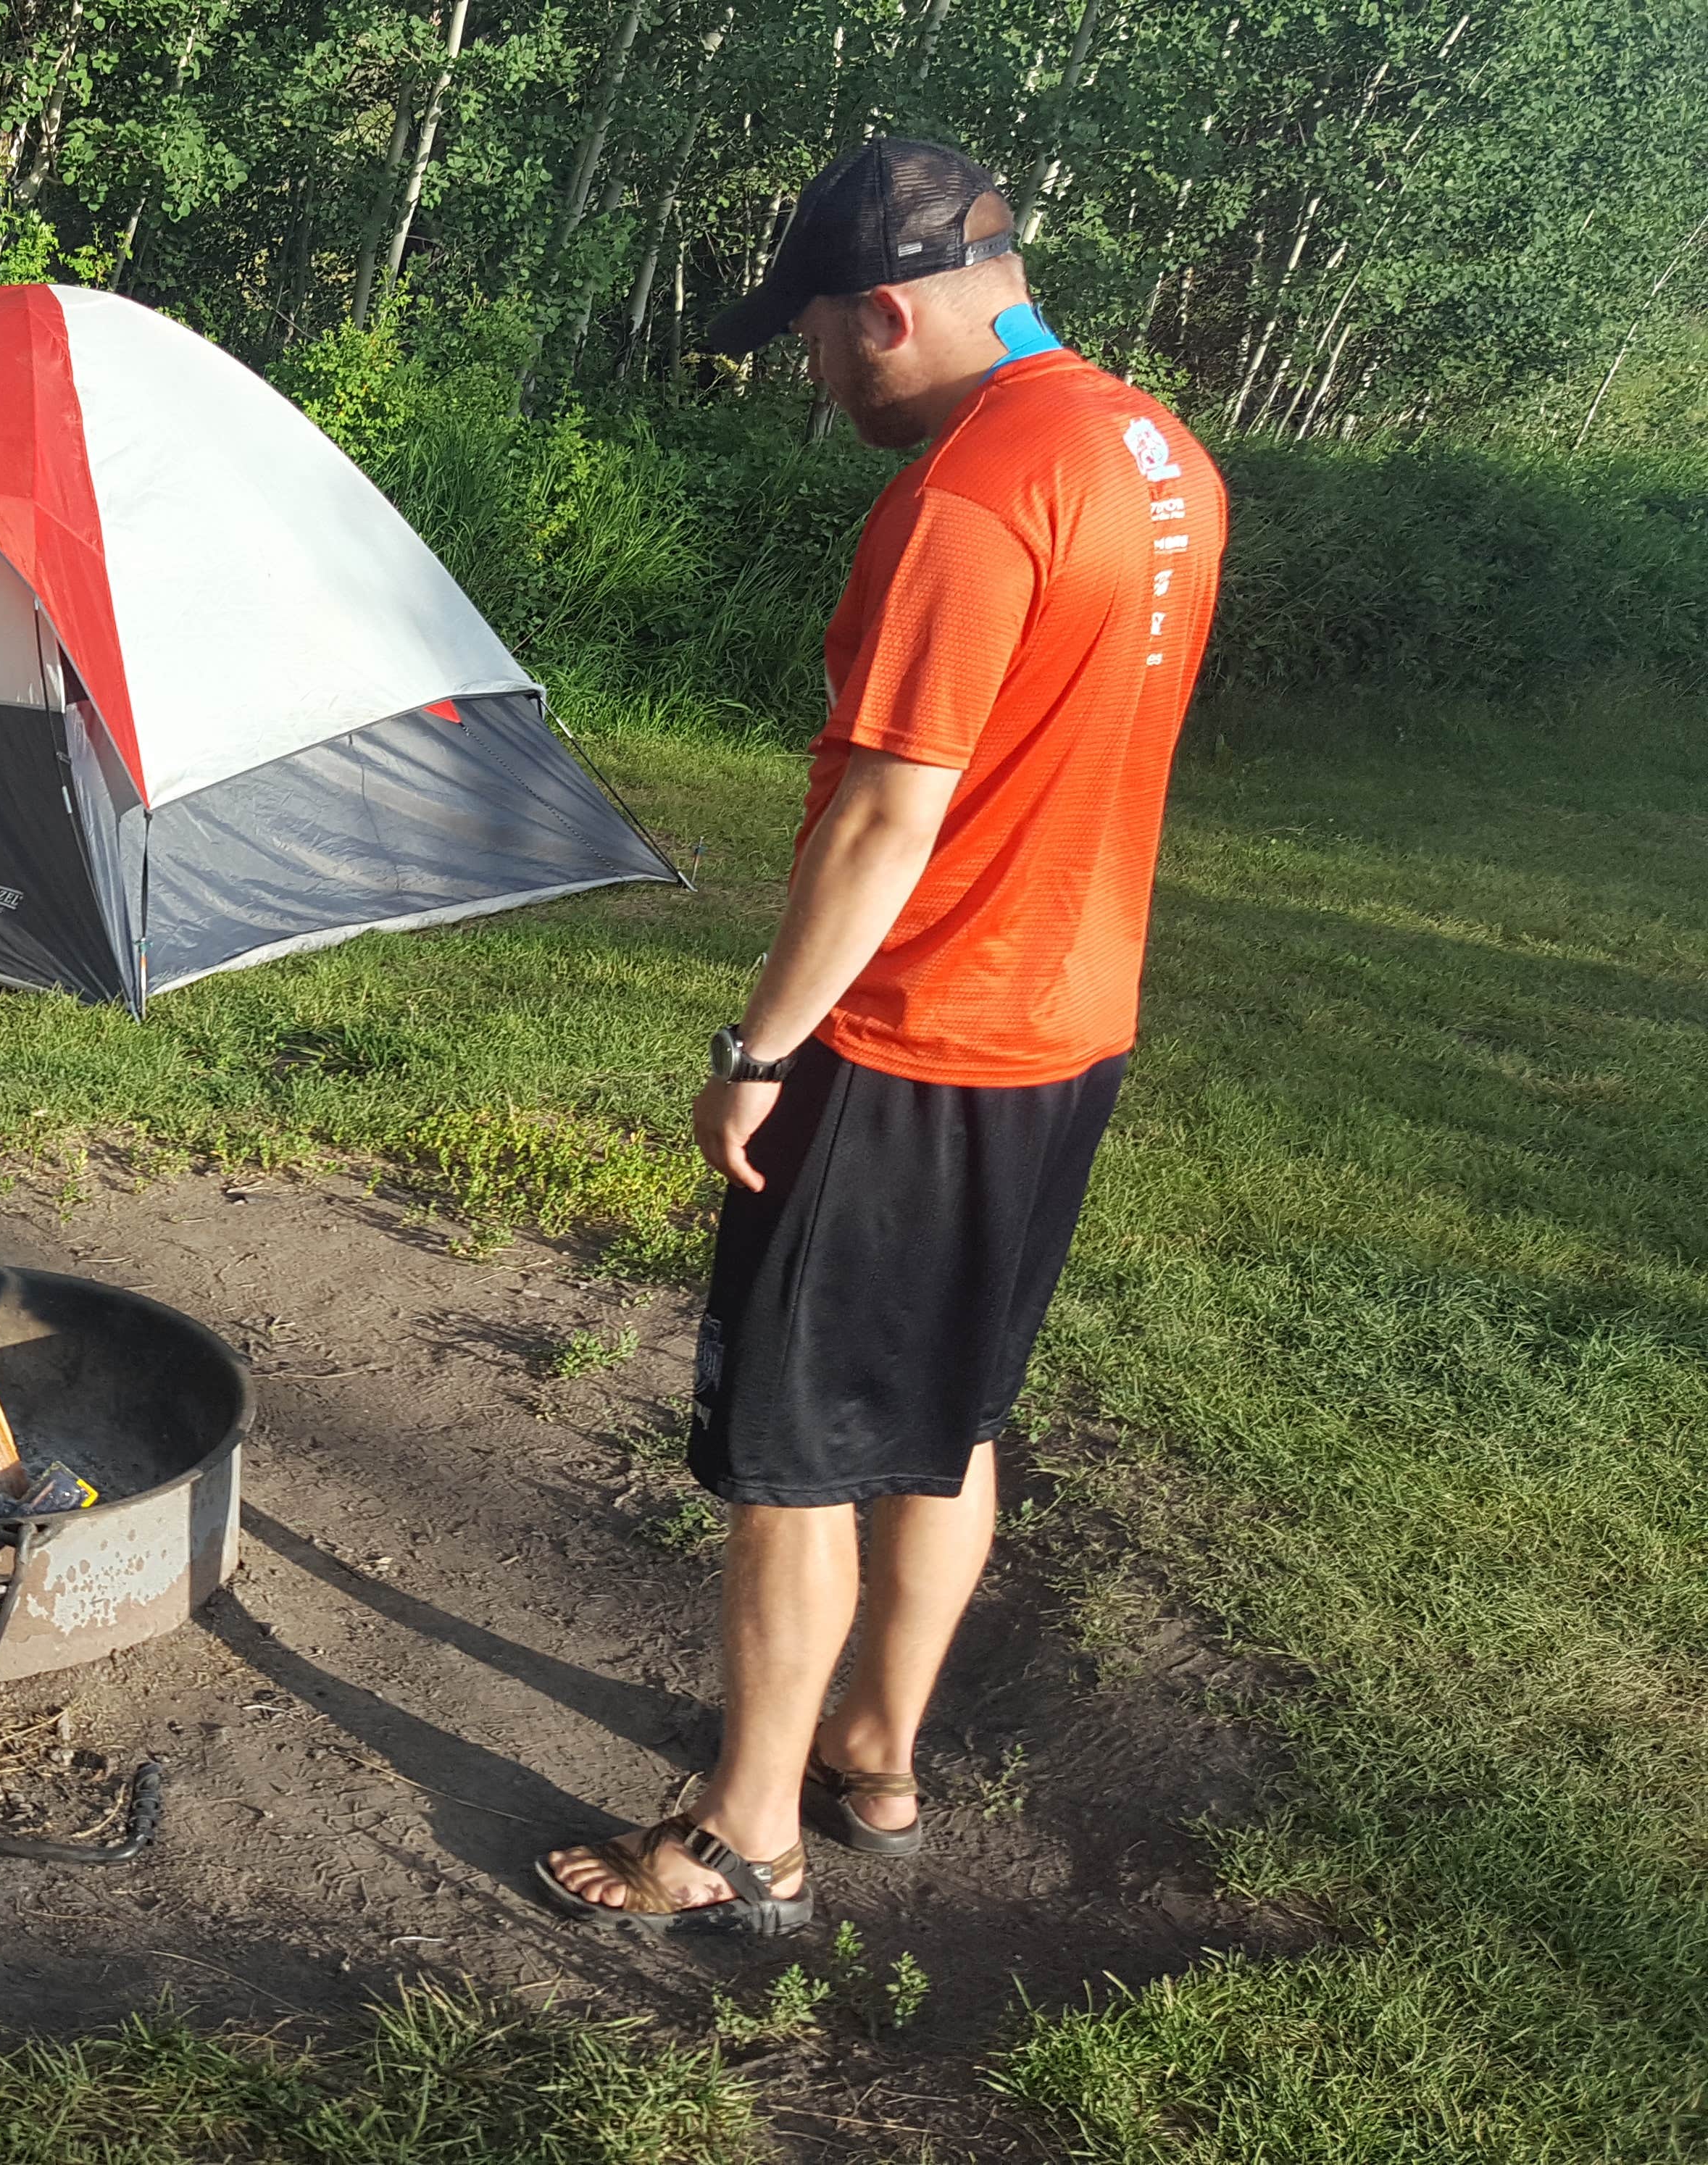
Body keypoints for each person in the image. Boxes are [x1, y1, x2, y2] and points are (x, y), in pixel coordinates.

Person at [534, 138, 1226, 1934]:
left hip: (912, 1039)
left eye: (815, 339)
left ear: (886, 314)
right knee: (946, 1415)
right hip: (1070, 1026)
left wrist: (760, 1051)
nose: (815, 374)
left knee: (793, 1455)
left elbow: (884, 816)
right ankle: (876, 1754)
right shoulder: (1154, 451)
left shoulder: (968, 501)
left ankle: (744, 1834)